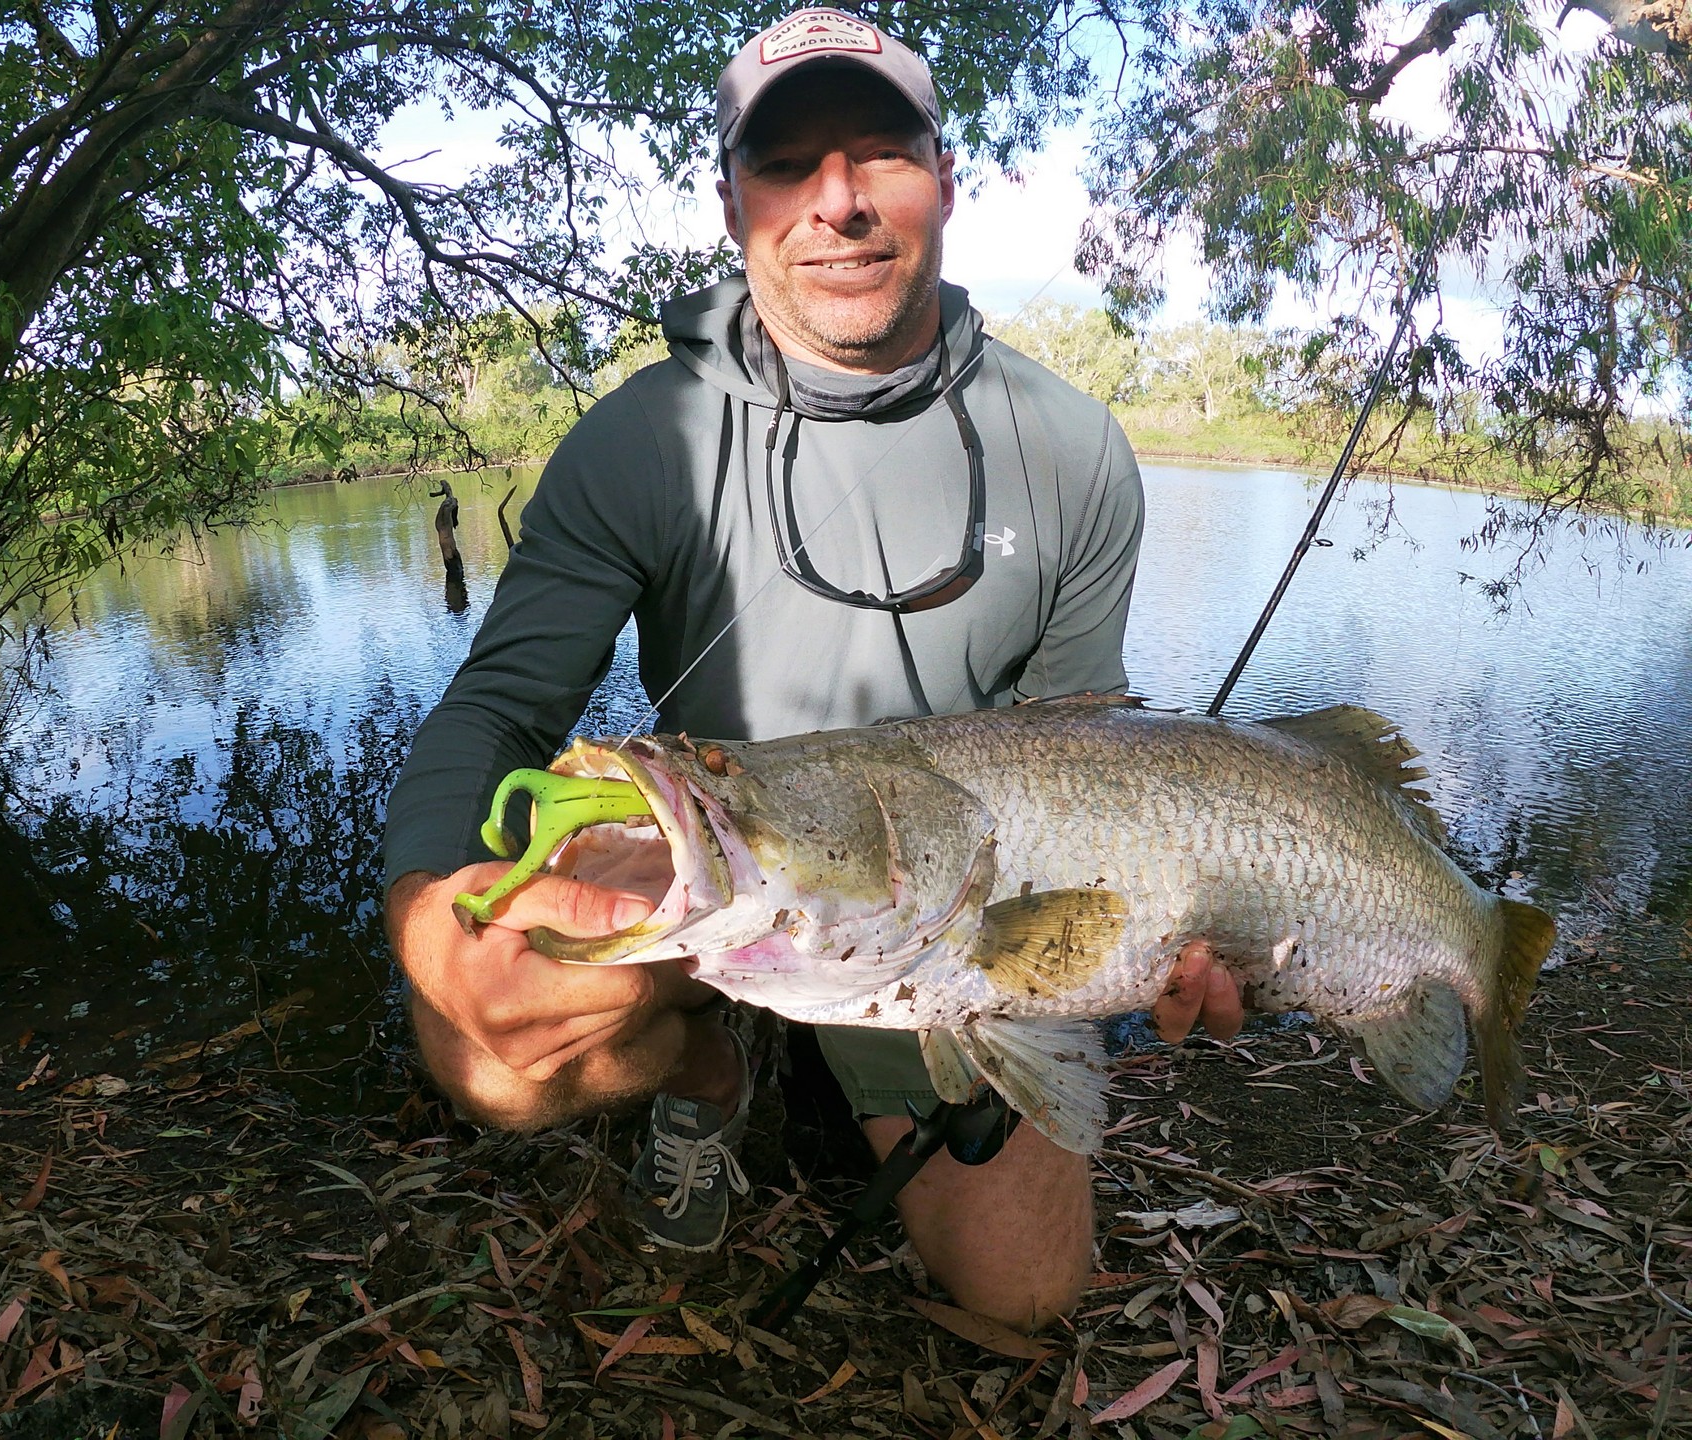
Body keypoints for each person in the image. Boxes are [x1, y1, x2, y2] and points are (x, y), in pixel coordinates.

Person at [383, 7, 1241, 1331]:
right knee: (487, 1055)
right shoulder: (640, 440)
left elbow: (1089, 753)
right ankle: (705, 1070)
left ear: (946, 181)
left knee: (1024, 1291)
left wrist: (1145, 946)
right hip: (724, 881)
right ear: (735, 202)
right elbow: (498, 707)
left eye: (879, 152)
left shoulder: (1073, 451)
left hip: (947, 912)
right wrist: (428, 915)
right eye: (787, 163)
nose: (836, 201)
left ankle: (876, 1057)